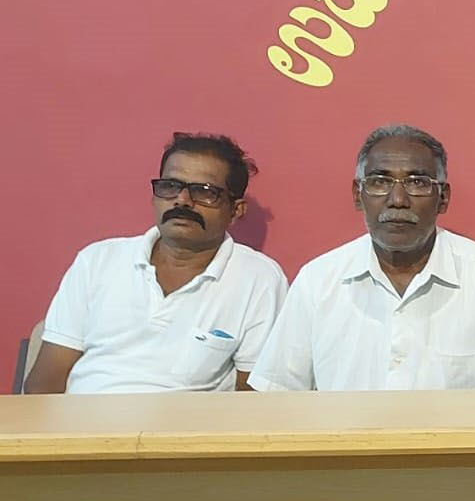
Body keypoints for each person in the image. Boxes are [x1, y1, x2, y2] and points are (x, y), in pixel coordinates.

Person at [248, 124, 475, 390]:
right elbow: (278, 395)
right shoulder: (318, 280)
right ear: (357, 194)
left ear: (443, 198)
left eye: (417, 183)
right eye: (380, 182)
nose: (398, 200)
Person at [25, 132, 286, 393]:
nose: (182, 200)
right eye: (170, 186)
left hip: (187, 420)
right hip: (82, 416)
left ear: (235, 210)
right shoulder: (97, 261)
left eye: (204, 191)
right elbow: (45, 382)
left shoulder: (258, 278)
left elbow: (253, 399)